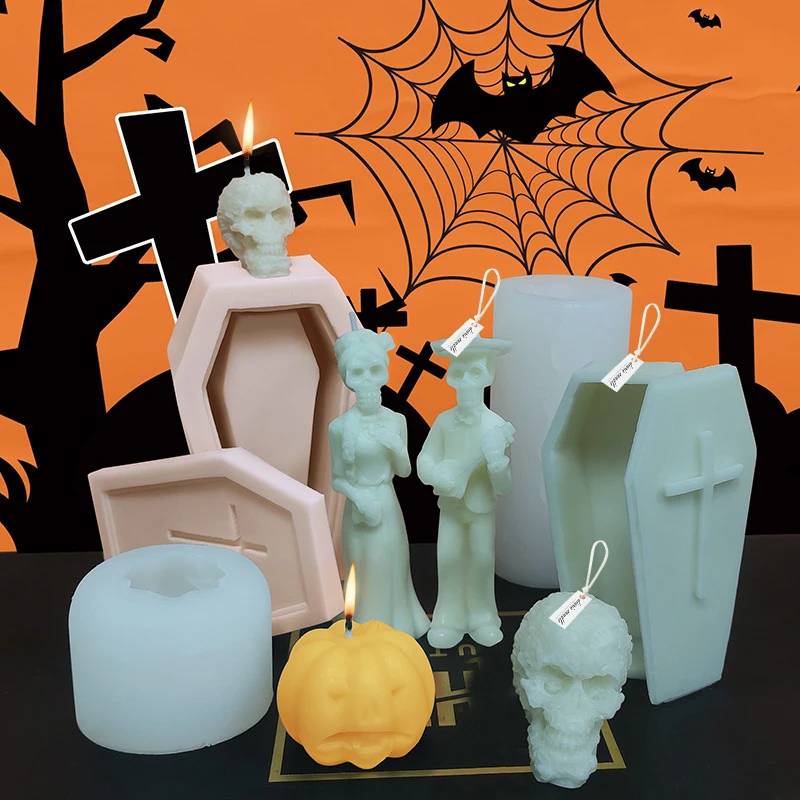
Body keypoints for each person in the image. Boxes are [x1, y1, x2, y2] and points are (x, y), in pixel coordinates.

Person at [329, 324, 430, 639]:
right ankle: (363, 625)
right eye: (357, 373)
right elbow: (336, 478)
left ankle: (397, 622)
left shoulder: (396, 420)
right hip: (358, 507)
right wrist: (359, 497)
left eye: (375, 370)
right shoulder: (339, 427)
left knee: (390, 563)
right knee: (364, 566)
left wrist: (395, 445)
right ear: (347, 378)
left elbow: (405, 471)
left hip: (386, 502)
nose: (367, 381)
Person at [418, 335, 514, 649]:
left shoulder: (497, 427)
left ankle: (483, 616)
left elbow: (505, 486)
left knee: (482, 560)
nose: (466, 383)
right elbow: (425, 458)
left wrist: (497, 464)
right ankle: (448, 617)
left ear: (489, 375)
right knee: (447, 558)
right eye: (458, 373)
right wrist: (435, 473)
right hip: (450, 507)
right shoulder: (443, 422)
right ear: (449, 377)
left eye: (475, 373)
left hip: (481, 508)